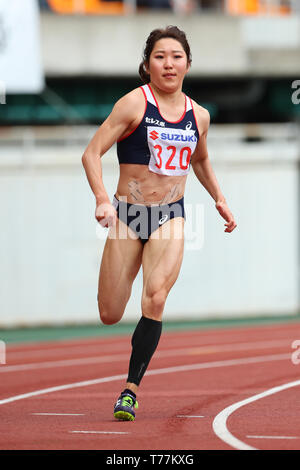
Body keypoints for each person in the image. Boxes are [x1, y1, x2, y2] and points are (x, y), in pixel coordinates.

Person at [81, 25, 237, 422]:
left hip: (171, 215)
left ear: (187, 63)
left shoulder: (198, 115)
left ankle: (130, 390)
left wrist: (219, 197)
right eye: (160, 56)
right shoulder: (133, 104)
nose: (169, 64)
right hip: (127, 216)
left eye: (176, 56)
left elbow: (199, 159)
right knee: (110, 312)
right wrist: (103, 200)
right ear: (147, 64)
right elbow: (91, 154)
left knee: (156, 297)